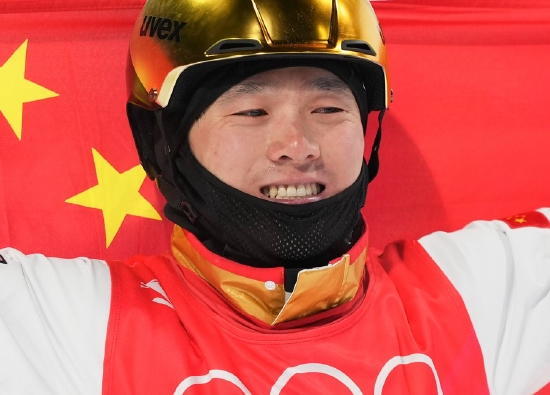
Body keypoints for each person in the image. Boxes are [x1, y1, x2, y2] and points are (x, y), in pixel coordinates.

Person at [1, 0, 549, 394]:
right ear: (164, 143)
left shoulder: (474, 296)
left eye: (329, 109)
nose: (297, 146)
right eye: (251, 111)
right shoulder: (70, 322)